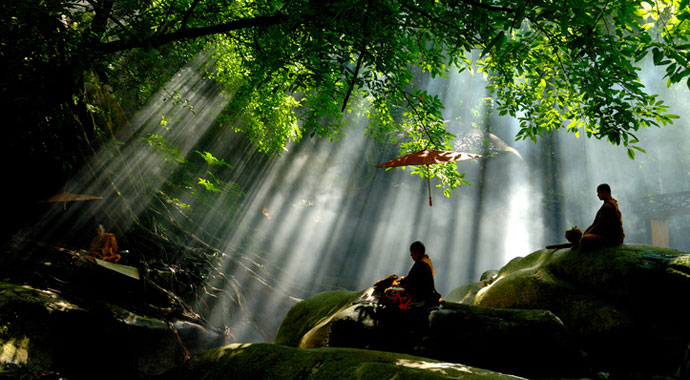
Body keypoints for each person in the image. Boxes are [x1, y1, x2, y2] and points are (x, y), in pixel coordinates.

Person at [579, 184, 625, 251]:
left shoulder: (608, 207)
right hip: (612, 236)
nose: (597, 195)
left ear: (605, 192)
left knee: (585, 240)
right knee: (585, 236)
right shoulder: (610, 203)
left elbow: (600, 226)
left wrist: (587, 233)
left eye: (599, 192)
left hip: (612, 238)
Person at [398, 241, 442, 305]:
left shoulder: (421, 265)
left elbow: (413, 283)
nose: (411, 255)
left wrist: (401, 286)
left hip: (420, 296)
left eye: (412, 253)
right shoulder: (425, 261)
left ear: (416, 253)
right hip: (427, 293)